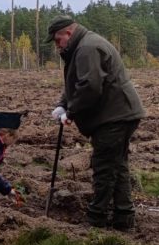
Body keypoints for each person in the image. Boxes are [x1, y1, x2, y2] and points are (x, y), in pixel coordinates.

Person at [47, 15, 145, 230]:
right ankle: (123, 218)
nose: (57, 46)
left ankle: (96, 219)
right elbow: (77, 81)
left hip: (114, 117)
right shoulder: (82, 46)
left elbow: (90, 87)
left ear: (68, 33)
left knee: (104, 168)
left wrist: (70, 113)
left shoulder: (87, 48)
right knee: (117, 166)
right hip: (118, 114)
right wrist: (62, 104)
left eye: (57, 40)